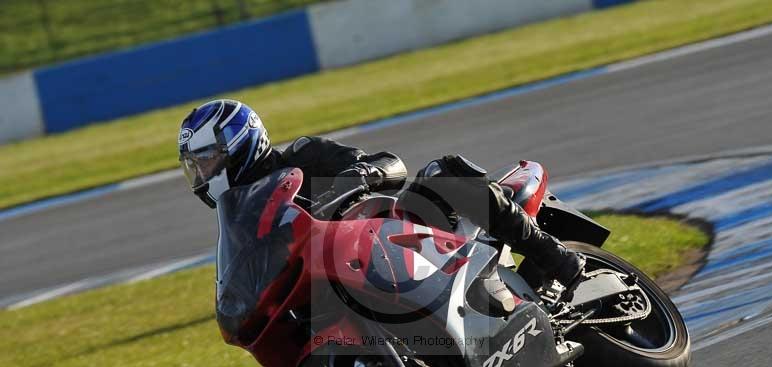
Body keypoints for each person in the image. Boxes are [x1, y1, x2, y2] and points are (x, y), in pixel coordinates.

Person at [178, 99, 584, 293]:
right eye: (196, 167)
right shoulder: (247, 218)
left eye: (207, 160)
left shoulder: (303, 155)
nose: (204, 174)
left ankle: (553, 254)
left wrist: (358, 175)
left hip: (398, 231)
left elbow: (389, 163)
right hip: (352, 276)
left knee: (442, 175)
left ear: (238, 143)